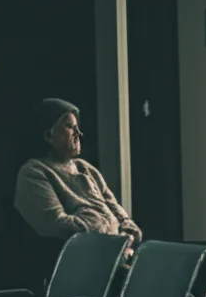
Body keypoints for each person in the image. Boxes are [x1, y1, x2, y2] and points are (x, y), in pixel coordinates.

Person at [14, 98, 141, 260]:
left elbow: (116, 210)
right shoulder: (34, 172)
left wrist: (127, 234)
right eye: (69, 127)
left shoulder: (85, 168)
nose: (78, 133)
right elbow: (57, 224)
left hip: (115, 255)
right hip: (78, 263)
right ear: (48, 135)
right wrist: (109, 234)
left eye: (77, 127)